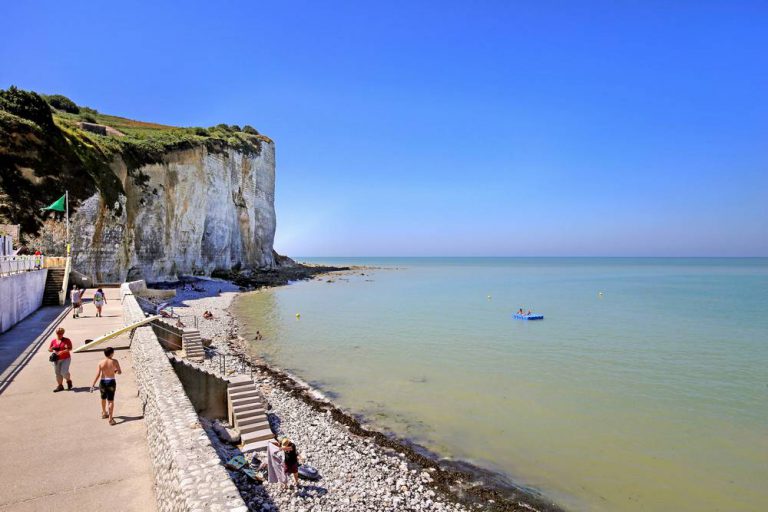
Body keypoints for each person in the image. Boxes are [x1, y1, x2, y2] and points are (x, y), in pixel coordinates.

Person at [90, 346, 122, 425]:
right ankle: (110, 419)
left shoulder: (100, 362)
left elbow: (98, 374)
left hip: (102, 382)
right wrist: (115, 371)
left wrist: (93, 384)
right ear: (111, 353)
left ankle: (104, 413)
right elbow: (119, 372)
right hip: (111, 381)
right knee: (110, 400)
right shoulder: (115, 361)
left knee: (103, 398)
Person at [48, 327, 73, 392]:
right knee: (57, 373)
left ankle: (68, 380)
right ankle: (60, 386)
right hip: (56, 359)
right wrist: (51, 349)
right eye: (58, 333)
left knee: (64, 372)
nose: (59, 334)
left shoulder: (67, 340)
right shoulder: (53, 341)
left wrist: (63, 351)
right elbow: (49, 349)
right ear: (56, 333)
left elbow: (70, 349)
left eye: (61, 333)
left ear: (63, 333)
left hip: (66, 358)